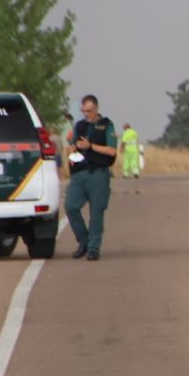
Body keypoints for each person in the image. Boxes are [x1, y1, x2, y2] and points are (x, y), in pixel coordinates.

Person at [66, 94, 118, 260]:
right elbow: (72, 148)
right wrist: (73, 147)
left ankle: (94, 248)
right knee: (70, 206)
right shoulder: (79, 126)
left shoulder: (106, 126)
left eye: (89, 111)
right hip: (80, 173)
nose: (86, 114)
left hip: (98, 173)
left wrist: (91, 146)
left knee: (97, 211)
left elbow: (112, 151)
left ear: (96, 109)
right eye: (84, 111)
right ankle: (84, 241)